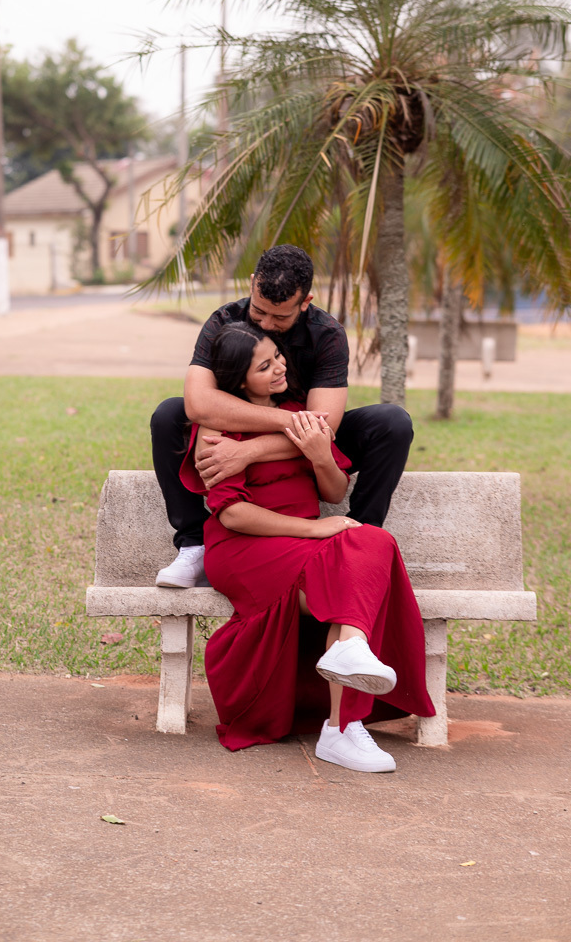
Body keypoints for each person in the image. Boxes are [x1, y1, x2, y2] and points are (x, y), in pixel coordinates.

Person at [179, 321, 434, 772]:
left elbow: (334, 492)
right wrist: (314, 530)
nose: (279, 367)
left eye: (277, 356)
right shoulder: (216, 429)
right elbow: (232, 513)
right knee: (353, 562)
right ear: (240, 381)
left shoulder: (299, 414)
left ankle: (344, 695)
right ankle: (342, 728)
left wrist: (319, 454)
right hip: (244, 548)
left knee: (373, 542)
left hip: (298, 548)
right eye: (265, 365)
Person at [151, 244, 414, 588]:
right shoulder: (224, 320)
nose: (266, 324)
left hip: (306, 443)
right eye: (260, 312)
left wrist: (248, 452)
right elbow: (199, 404)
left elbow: (325, 429)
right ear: (251, 284)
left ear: (306, 302)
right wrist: (289, 421)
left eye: (280, 317)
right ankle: (192, 542)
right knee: (169, 414)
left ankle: (359, 536)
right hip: (239, 431)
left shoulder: (328, 334)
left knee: (392, 423)